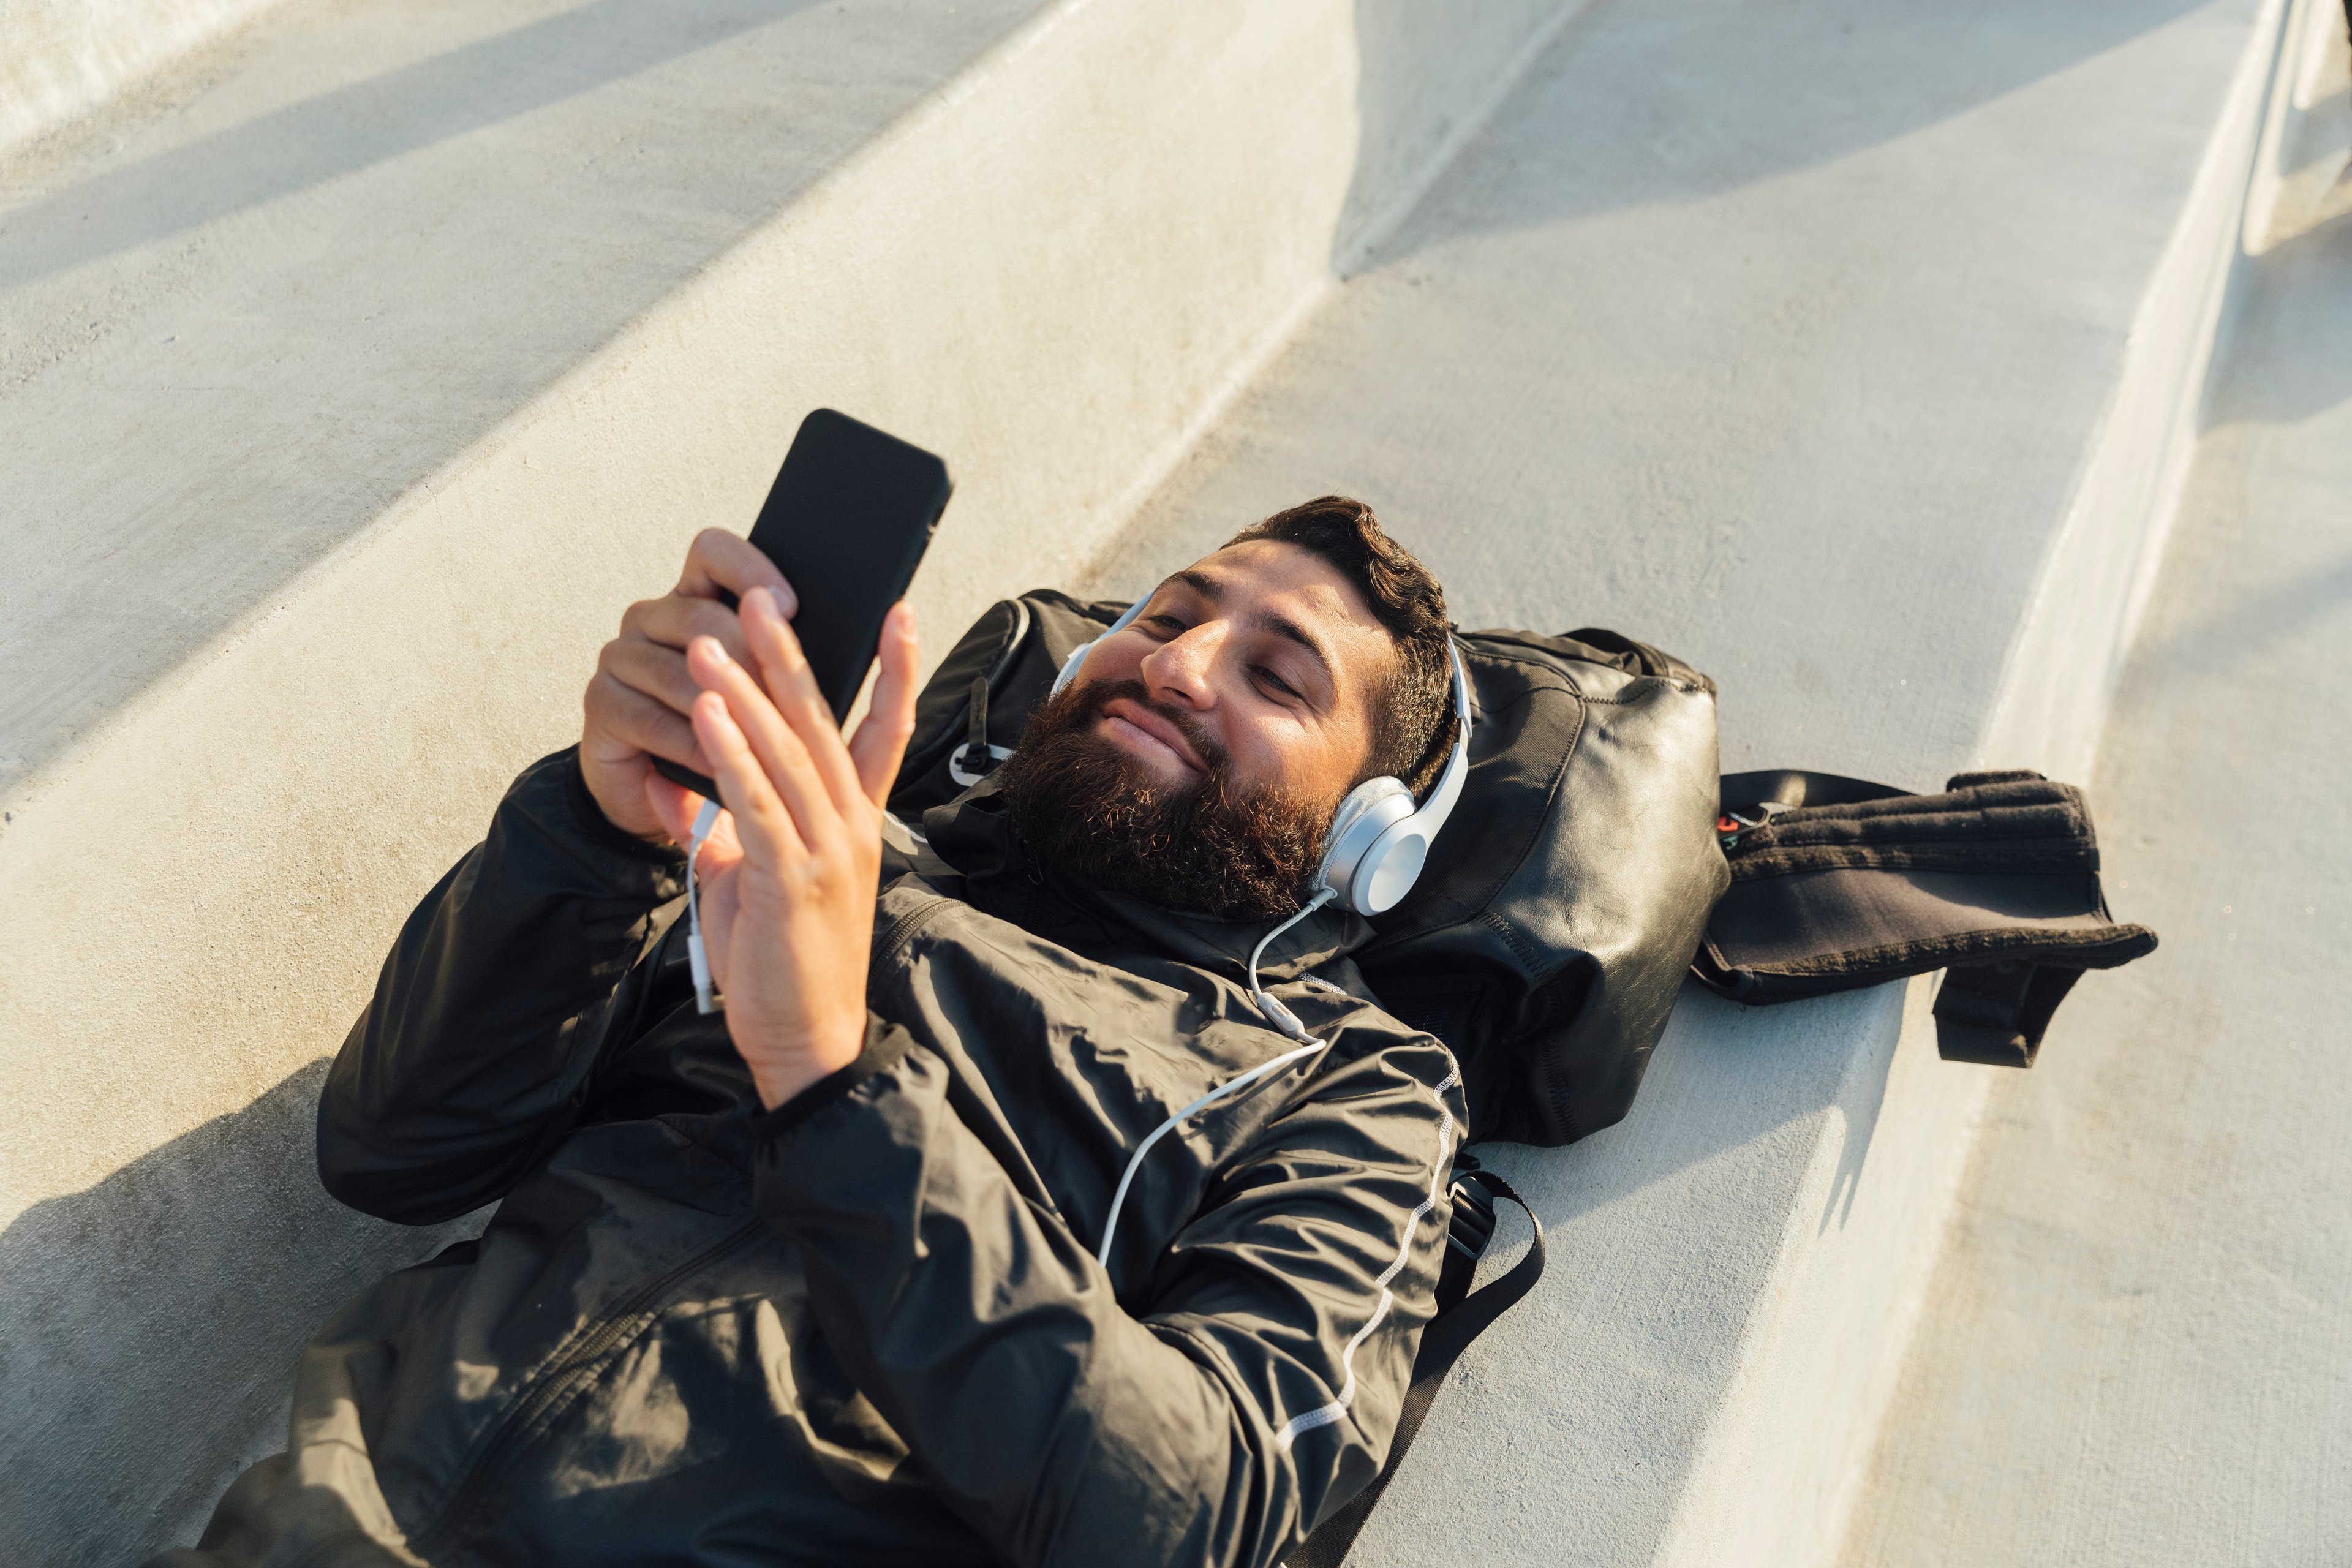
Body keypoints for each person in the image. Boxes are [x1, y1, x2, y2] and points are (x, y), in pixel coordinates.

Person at [156, 497, 1467, 1568]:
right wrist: (603, 828)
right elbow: (392, 1149)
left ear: (1369, 833)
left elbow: (1190, 1514)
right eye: (1169, 615)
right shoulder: (843, 845)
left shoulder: (1356, 1087)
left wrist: (837, 1077)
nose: (1176, 664)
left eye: (1275, 675)